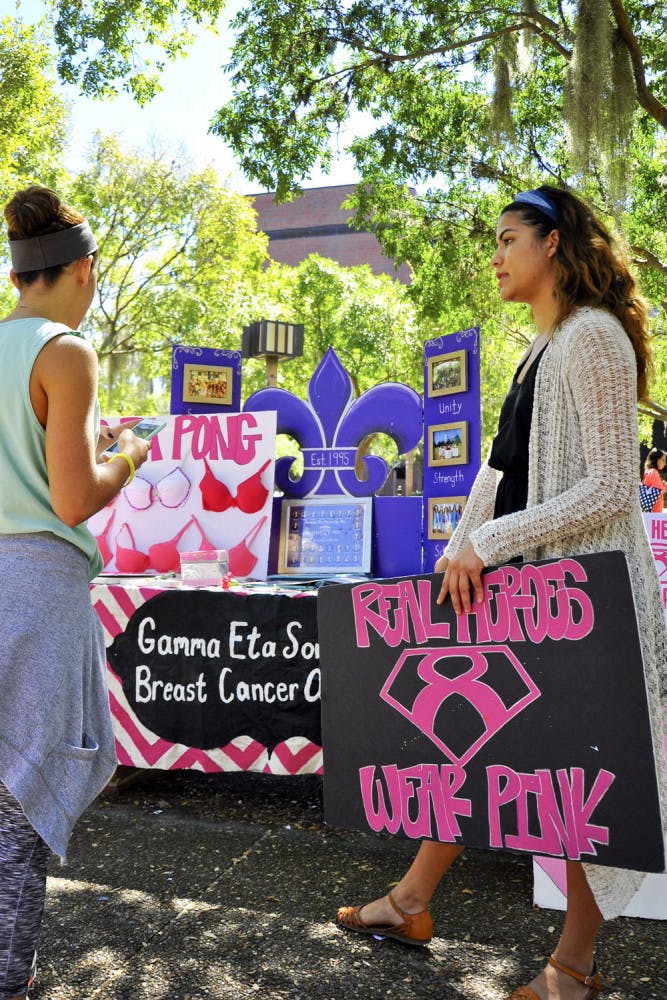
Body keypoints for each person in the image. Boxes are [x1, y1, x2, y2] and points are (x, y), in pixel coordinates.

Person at [337, 186, 667, 1000]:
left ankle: (572, 969)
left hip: (586, 595)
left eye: (508, 238)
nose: (495, 254)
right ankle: (411, 901)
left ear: (552, 245)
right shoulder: (539, 346)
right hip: (532, 587)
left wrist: (488, 543)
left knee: (576, 781)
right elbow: (501, 470)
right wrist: (460, 549)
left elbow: (609, 492)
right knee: (472, 747)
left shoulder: (591, 337)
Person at [0, 185, 151, 1000]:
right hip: (35, 594)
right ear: (83, 271)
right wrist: (128, 453)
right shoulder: (68, 350)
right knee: (18, 808)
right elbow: (72, 499)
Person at [642, 447, 667, 513]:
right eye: (663, 460)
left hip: (650, 511)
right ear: (656, 460)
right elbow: (658, 491)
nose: (665, 463)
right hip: (655, 512)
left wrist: (662, 484)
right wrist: (665, 485)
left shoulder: (648, 471)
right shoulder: (653, 472)